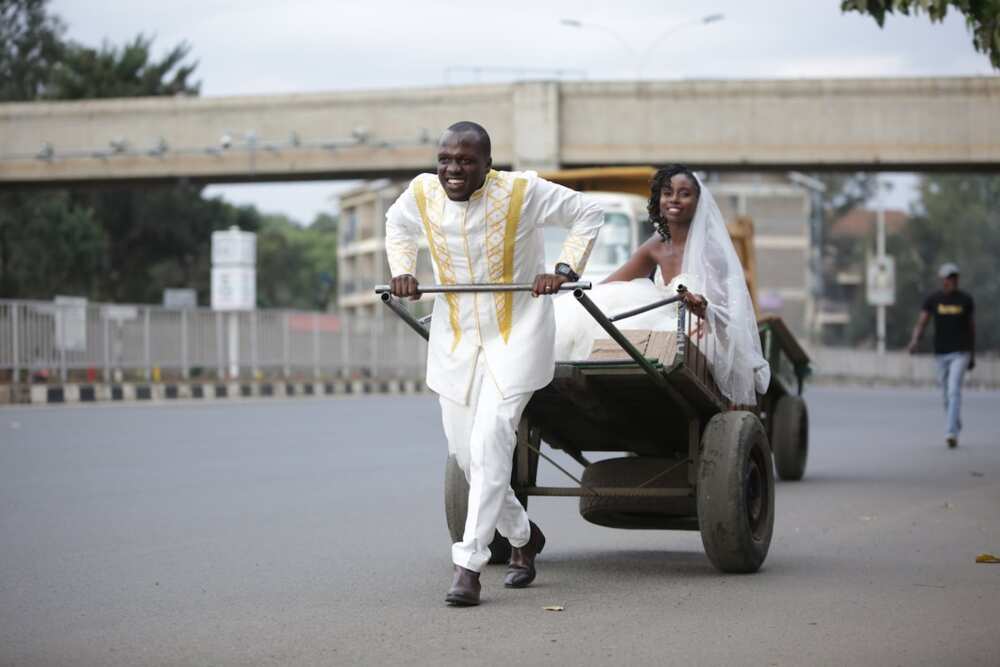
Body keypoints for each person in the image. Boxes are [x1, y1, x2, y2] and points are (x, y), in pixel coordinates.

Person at [384, 121, 604, 606]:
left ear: (488, 163)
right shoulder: (421, 194)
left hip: (517, 333)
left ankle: (468, 565)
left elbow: (588, 212)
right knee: (468, 456)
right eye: (445, 159)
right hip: (456, 337)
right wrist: (403, 271)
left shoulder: (522, 191)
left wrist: (563, 271)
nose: (452, 170)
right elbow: (397, 226)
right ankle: (526, 538)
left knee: (491, 440)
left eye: (464, 160)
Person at [553, 164, 770, 407]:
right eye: (668, 193)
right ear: (659, 198)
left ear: (698, 202)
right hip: (658, 319)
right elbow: (611, 283)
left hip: (703, 333)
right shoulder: (656, 245)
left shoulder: (713, 253)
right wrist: (571, 294)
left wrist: (703, 308)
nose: (674, 200)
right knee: (596, 309)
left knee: (663, 343)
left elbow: (727, 315)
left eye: (684, 193)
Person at [907, 262, 976, 448]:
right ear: (942, 280)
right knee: (946, 395)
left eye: (953, 277)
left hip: (961, 352)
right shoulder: (933, 300)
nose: (950, 281)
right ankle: (955, 421)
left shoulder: (965, 300)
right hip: (941, 354)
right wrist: (915, 340)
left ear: (957, 279)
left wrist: (972, 354)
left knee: (954, 389)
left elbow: (971, 329)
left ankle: (951, 432)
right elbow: (922, 323)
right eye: (947, 278)